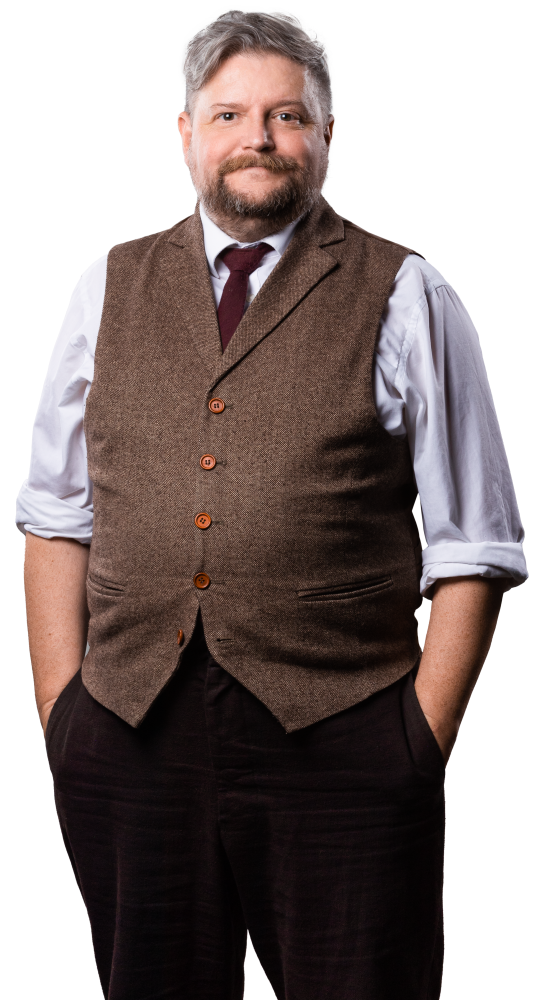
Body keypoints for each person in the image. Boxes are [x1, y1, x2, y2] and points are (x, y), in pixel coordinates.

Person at [17, 8, 527, 1000]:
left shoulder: (407, 291)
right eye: (230, 114)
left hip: (344, 738)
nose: (258, 137)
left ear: (327, 133)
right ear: (186, 133)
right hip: (128, 734)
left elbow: (474, 545)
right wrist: (62, 712)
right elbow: (56, 514)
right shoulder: (105, 286)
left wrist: (415, 745)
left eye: (286, 115)